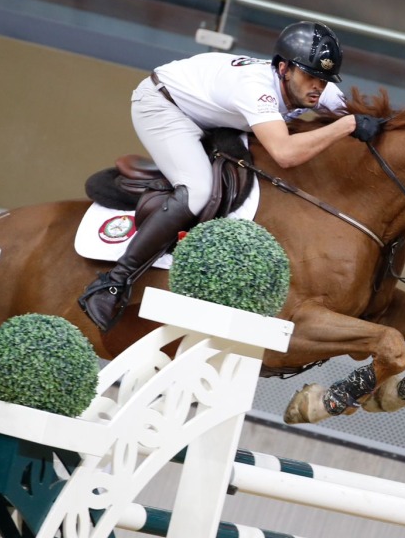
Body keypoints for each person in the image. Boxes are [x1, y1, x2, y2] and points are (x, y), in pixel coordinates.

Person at [78, 20, 383, 332]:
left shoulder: (318, 91)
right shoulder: (256, 89)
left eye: (324, 79)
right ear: (283, 69)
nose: (317, 86)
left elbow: (367, 121)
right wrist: (346, 126)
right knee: (198, 189)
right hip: (165, 105)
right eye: (310, 75)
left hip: (216, 117)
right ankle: (113, 284)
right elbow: (286, 153)